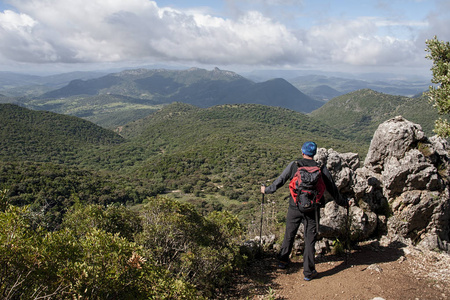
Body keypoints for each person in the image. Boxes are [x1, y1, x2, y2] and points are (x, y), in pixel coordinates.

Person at [261, 141, 348, 281]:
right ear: (314, 154)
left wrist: (266, 190)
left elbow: (280, 181)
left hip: (295, 206)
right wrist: (343, 202)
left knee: (289, 233)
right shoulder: (321, 168)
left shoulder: (295, 165)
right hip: (312, 209)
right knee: (310, 239)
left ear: (302, 152)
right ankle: (308, 272)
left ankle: (283, 261)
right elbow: (333, 189)